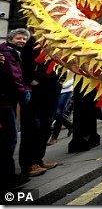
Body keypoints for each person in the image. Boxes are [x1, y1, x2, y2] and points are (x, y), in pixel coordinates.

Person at [17, 33, 59, 176]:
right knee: (32, 127)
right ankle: (29, 164)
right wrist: (31, 79)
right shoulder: (33, 40)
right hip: (38, 90)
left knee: (46, 125)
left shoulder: (54, 39)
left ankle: (39, 159)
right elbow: (25, 62)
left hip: (51, 87)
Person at [0, 29, 33, 189]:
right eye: (19, 38)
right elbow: (13, 76)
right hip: (4, 102)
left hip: (8, 101)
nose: (22, 40)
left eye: (24, 38)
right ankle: (9, 178)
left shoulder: (13, 52)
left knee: (8, 139)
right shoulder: (6, 53)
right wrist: (25, 92)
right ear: (10, 38)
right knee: (9, 139)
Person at [48, 74, 74, 145]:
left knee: (58, 112)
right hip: (54, 91)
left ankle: (54, 136)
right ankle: (69, 125)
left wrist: (62, 85)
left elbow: (73, 76)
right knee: (54, 113)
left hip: (66, 90)